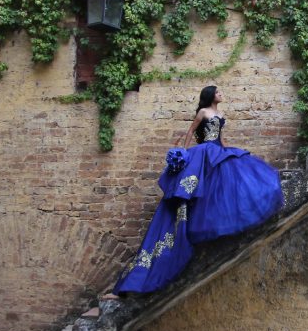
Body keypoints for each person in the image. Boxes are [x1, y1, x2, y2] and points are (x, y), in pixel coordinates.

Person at [110, 86, 284, 294]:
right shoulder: (203, 113)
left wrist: (226, 150)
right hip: (203, 151)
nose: (221, 94)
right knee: (198, 187)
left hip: (217, 150)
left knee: (222, 184)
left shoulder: (221, 114)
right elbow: (191, 131)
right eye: (218, 92)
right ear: (211, 95)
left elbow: (220, 137)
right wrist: (184, 154)